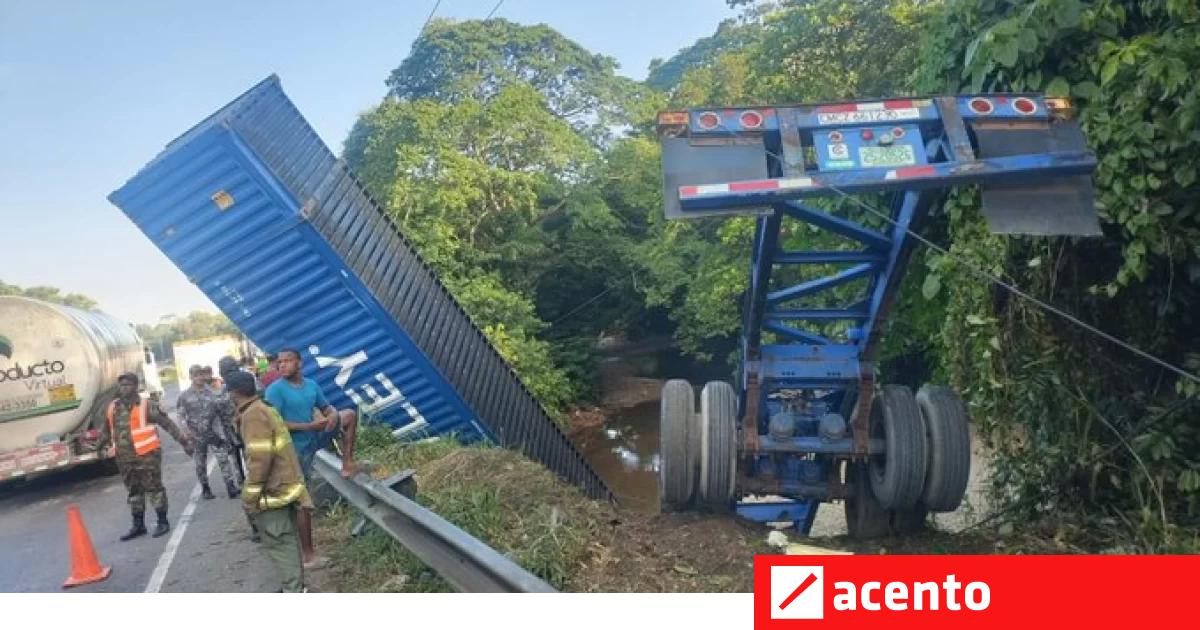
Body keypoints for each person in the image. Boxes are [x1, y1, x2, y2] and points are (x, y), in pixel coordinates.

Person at [264, 347, 359, 568]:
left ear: (299, 363)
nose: (283, 365)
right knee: (302, 504)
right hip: (292, 450)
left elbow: (326, 408)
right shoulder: (275, 391)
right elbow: (273, 425)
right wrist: (309, 426)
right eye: (280, 362)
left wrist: (332, 415)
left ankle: (347, 464)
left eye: (288, 361)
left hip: (313, 439)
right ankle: (308, 555)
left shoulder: (311, 386)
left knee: (349, 415)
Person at [226, 371, 311, 593]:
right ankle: (295, 587)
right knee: (286, 541)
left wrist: (250, 496)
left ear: (233, 393)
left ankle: (294, 590)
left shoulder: (253, 415)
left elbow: (259, 460)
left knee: (279, 542)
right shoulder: (263, 407)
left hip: (273, 491)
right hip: (284, 487)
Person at [95, 372, 192, 540]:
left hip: (147, 455)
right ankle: (138, 525)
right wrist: (99, 448)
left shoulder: (146, 406)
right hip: (124, 458)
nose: (124, 388)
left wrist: (184, 442)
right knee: (133, 491)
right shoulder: (113, 407)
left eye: (128, 385)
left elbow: (167, 424)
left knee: (154, 488)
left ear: (135, 386)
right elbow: (106, 430)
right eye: (122, 385)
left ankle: (162, 521)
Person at [176, 364, 240, 499]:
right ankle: (205, 488)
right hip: (196, 435)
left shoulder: (213, 392)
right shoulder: (185, 396)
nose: (199, 378)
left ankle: (230, 486)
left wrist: (227, 430)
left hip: (214, 433)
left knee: (223, 459)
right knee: (200, 463)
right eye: (196, 375)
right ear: (191, 377)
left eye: (201, 375)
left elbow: (222, 411)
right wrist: (186, 432)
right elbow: (181, 415)